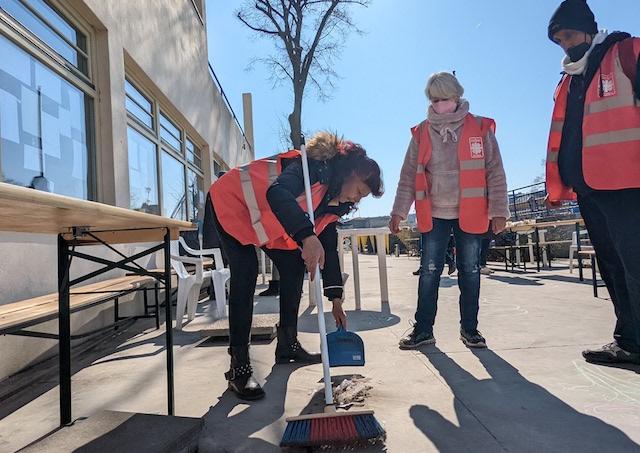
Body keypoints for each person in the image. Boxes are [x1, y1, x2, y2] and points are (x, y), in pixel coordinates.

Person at [209, 132, 383, 400]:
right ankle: (239, 367)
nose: (356, 200)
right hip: (231, 200)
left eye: (362, 198)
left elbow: (328, 250)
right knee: (246, 272)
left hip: (265, 219)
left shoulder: (333, 203)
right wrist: (306, 235)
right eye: (359, 191)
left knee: (293, 268)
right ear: (349, 172)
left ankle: (288, 345)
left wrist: (335, 298)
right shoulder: (310, 167)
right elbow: (276, 192)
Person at [546, 0, 640, 365]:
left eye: (568, 35)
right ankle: (629, 341)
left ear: (587, 29)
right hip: (589, 187)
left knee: (635, 263)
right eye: (558, 41)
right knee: (613, 265)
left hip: (627, 186)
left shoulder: (626, 53)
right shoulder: (569, 79)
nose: (565, 45)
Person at [389, 72, 509, 349]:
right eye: (433, 99)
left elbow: (495, 172)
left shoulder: (479, 127)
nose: (438, 104)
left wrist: (499, 210)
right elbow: (408, 175)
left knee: (470, 270)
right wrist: (398, 210)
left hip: (472, 212)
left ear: (456, 97)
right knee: (429, 271)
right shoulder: (421, 132)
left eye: (443, 99)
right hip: (433, 214)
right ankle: (423, 330)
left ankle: (470, 330)